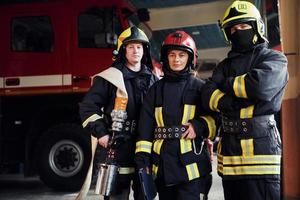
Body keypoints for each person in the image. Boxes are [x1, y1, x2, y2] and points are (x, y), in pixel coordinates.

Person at [201, 1, 289, 200]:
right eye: (233, 28)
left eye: (243, 26)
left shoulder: (275, 59)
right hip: (230, 155)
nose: (238, 31)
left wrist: (226, 84)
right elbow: (207, 95)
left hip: (261, 151)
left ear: (257, 27)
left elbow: (259, 86)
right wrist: (232, 101)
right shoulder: (223, 65)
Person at [135, 30, 217, 200]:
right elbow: (145, 128)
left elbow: (217, 119)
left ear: (190, 58)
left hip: (192, 170)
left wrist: (199, 125)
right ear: (166, 57)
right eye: (172, 54)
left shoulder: (200, 88)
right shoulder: (155, 90)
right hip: (163, 167)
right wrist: (143, 162)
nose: (176, 59)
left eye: (181, 55)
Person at [78, 26, 158, 200]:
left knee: (145, 194)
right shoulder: (110, 77)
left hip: (144, 145)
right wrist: (102, 134)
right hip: (117, 145)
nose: (135, 51)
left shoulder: (152, 79)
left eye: (139, 47)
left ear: (145, 50)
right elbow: (88, 107)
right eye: (131, 47)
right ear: (123, 50)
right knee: (116, 196)